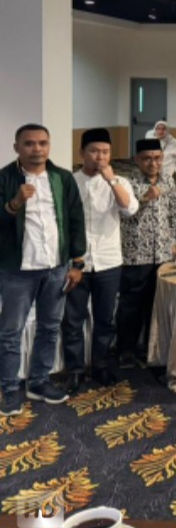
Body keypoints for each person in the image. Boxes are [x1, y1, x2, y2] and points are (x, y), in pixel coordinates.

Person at [0, 124, 85, 414]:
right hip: (17, 270)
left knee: (49, 328)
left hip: (55, 267)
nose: (37, 149)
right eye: (29, 144)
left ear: (49, 146)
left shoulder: (62, 178)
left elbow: (76, 219)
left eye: (42, 143)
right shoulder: (4, 178)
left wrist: (77, 262)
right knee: (11, 332)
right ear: (17, 148)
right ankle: (9, 389)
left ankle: (38, 382)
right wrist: (14, 203)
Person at [63, 128, 138, 392]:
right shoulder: (70, 182)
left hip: (109, 260)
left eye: (105, 152)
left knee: (105, 319)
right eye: (94, 151)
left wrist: (111, 181)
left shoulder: (120, 181)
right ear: (81, 152)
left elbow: (129, 209)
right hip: (77, 262)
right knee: (73, 319)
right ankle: (74, 370)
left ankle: (101, 366)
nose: (100, 157)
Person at [117, 138, 176, 370]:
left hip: (162, 252)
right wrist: (144, 199)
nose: (153, 163)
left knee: (155, 304)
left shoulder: (168, 180)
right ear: (137, 160)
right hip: (135, 253)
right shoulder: (126, 182)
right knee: (130, 305)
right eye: (147, 159)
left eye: (157, 158)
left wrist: (174, 240)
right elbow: (123, 214)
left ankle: (150, 349)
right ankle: (125, 351)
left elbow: (173, 212)